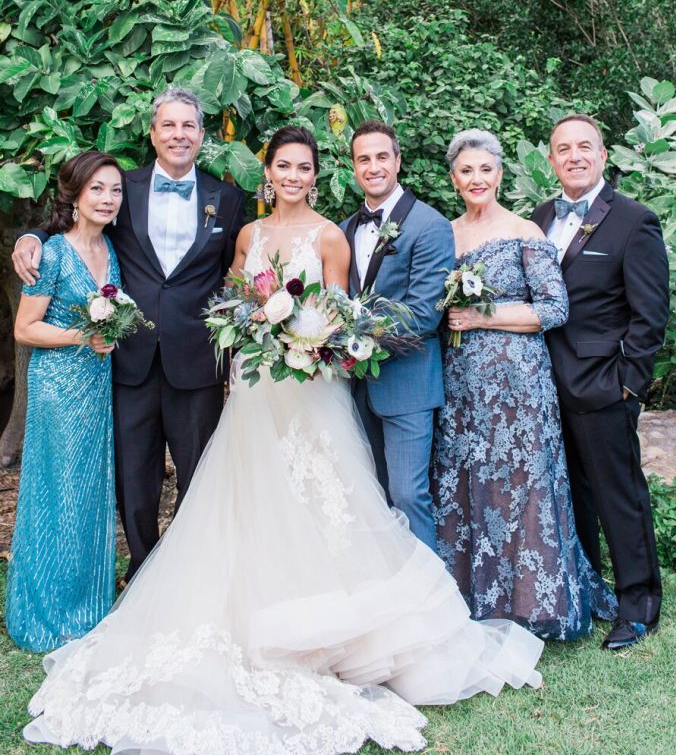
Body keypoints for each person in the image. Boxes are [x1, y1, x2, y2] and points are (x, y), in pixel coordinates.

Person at [22, 126, 543, 755]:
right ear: (268, 174)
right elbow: (233, 297)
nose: (293, 177)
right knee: (248, 492)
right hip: (252, 384)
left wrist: (306, 341)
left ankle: (332, 620)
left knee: (325, 495)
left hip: (311, 384)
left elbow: (342, 310)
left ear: (316, 176)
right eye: (283, 167)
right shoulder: (247, 233)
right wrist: (251, 329)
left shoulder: (331, 236)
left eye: (304, 168)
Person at [12, 87, 245, 580]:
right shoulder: (122, 188)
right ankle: (141, 570)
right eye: (169, 125)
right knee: (133, 478)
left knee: (197, 474)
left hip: (197, 363)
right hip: (126, 358)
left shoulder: (228, 199)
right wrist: (30, 237)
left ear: (201, 135)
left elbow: (232, 277)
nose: (179, 134)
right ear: (153, 132)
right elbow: (73, 222)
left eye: (189, 126)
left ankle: (186, 573)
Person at [431, 129, 617, 640]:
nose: (476, 179)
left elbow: (555, 309)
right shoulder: (442, 234)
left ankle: (535, 602)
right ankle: (468, 597)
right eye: (466, 171)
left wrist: (483, 316)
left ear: (499, 174)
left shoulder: (525, 233)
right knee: (464, 480)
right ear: (454, 178)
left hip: (519, 383)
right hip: (462, 382)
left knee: (521, 485)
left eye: (485, 170)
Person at [532, 113, 669, 650]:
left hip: (603, 387)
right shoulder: (540, 217)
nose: (574, 156)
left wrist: (627, 386)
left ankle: (639, 606)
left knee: (619, 495)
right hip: (544, 386)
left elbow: (649, 314)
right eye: (563, 149)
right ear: (552, 161)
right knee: (571, 497)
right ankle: (590, 591)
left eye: (584, 146)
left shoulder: (634, 221)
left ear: (603, 155)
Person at [6, 151, 123, 652]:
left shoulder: (110, 248)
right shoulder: (52, 252)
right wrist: (84, 335)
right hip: (58, 387)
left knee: (92, 488)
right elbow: (24, 327)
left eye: (115, 190)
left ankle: (88, 603)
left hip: (98, 384)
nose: (107, 198)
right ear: (75, 196)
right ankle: (49, 608)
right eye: (97, 189)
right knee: (60, 489)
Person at [340, 120, 454, 551]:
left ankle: (431, 602)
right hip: (353, 387)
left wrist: (349, 334)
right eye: (363, 159)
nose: (373, 167)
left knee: (409, 494)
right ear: (354, 167)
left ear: (398, 161)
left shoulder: (430, 225)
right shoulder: (345, 227)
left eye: (381, 157)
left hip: (406, 384)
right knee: (368, 496)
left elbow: (425, 314)